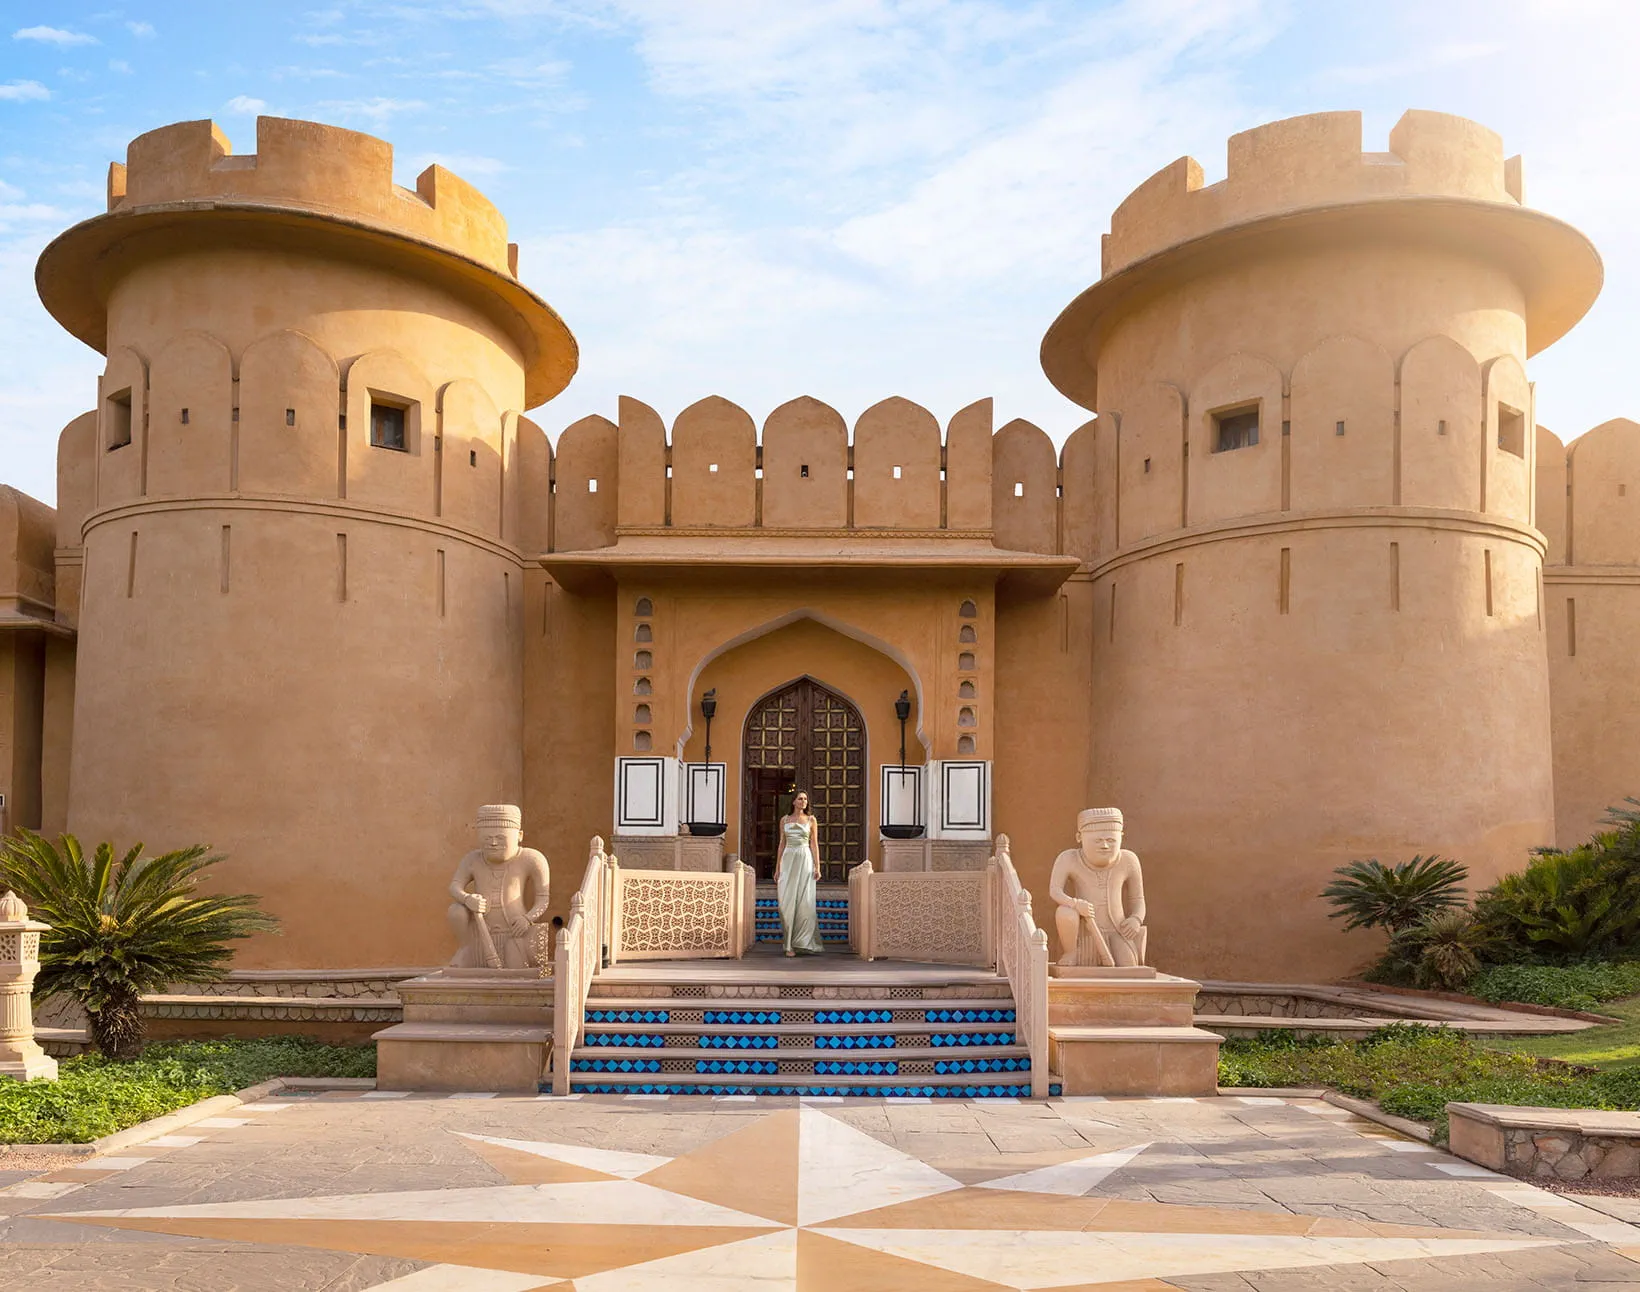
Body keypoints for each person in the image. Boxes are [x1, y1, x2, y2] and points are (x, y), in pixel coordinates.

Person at [446, 804, 551, 969]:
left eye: (500, 838)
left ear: (519, 835)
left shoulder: (532, 859)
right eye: (487, 838)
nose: (493, 843)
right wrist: (467, 899)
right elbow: (454, 886)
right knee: (456, 909)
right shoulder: (472, 859)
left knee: (517, 968)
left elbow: (543, 899)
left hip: (516, 931)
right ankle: (465, 948)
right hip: (481, 931)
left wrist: (528, 919)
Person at [776, 789, 825, 956]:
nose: (803, 801)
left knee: (805, 902)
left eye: (805, 799)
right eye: (800, 798)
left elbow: (814, 844)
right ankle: (788, 943)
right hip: (788, 859)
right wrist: (777, 869)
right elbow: (781, 844)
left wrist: (817, 867)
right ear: (793, 801)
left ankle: (800, 942)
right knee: (785, 902)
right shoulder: (784, 820)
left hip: (805, 859)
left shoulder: (811, 820)